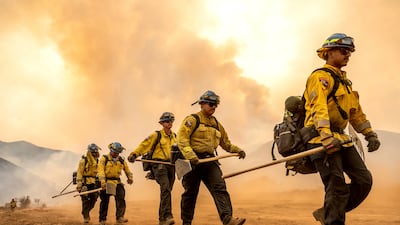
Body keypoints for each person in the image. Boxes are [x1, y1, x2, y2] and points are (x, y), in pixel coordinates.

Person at [303, 33, 381, 225]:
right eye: (344, 51)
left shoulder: (345, 83)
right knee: (336, 185)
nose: (348, 55)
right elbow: (318, 108)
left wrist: (369, 134)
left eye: (350, 52)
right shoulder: (319, 77)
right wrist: (326, 137)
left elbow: (356, 114)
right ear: (329, 53)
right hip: (320, 139)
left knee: (364, 180)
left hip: (341, 138)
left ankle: (328, 212)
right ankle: (333, 220)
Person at [176, 90, 247, 225]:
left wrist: (238, 150)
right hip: (192, 162)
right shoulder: (192, 120)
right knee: (190, 194)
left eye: (215, 105)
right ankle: (186, 222)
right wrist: (191, 156)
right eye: (210, 104)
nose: (213, 107)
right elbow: (182, 139)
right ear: (202, 104)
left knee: (220, 187)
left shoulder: (216, 124)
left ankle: (227, 219)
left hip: (210, 161)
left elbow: (226, 143)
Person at [127, 112, 177, 225]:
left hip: (171, 166)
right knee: (166, 189)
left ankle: (162, 219)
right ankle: (168, 215)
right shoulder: (156, 135)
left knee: (167, 191)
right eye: (167, 121)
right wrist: (134, 154)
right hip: (159, 165)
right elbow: (144, 145)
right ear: (162, 123)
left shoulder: (175, 137)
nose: (169, 123)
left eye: (171, 121)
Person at [97, 142, 133, 225]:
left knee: (121, 198)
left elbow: (127, 170)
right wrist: (102, 182)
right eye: (115, 152)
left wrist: (130, 178)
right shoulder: (104, 159)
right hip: (107, 182)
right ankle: (102, 220)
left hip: (117, 182)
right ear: (111, 151)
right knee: (105, 201)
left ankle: (120, 217)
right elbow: (100, 171)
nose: (116, 154)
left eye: (118, 153)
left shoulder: (121, 160)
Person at [76, 143, 101, 223]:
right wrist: (79, 185)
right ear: (90, 152)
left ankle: (85, 211)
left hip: (94, 183)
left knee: (94, 198)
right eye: (93, 152)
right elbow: (79, 173)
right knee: (85, 200)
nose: (95, 154)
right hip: (84, 183)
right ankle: (86, 216)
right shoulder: (83, 161)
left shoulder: (98, 161)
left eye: (96, 152)